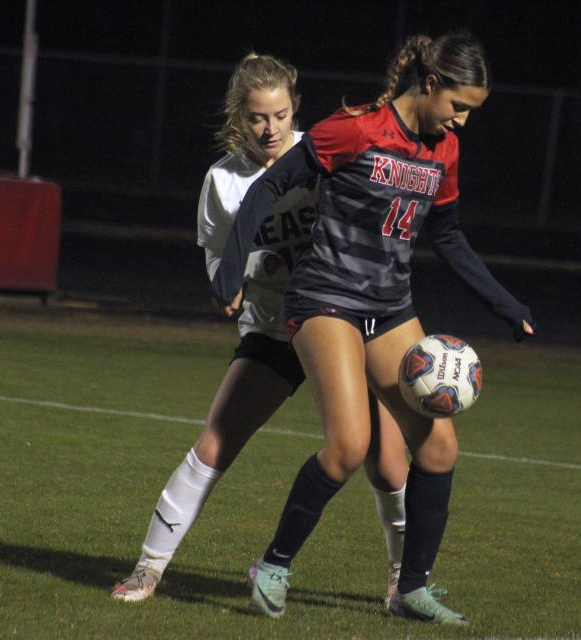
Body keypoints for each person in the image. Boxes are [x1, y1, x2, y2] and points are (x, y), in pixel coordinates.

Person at [210, 32, 534, 625]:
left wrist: (504, 303)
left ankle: (411, 590)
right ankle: (273, 565)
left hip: (389, 308)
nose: (462, 121)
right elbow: (270, 185)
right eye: (458, 105)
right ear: (430, 85)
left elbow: (448, 235)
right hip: (325, 299)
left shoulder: (443, 152)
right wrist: (231, 269)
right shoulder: (357, 128)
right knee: (348, 446)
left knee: (438, 447)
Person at [111, 53, 411, 607]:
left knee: (388, 460)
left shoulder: (321, 153)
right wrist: (232, 286)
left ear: (294, 109)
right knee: (215, 442)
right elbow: (216, 256)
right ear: (238, 117)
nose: (269, 128)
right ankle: (148, 570)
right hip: (275, 330)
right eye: (255, 117)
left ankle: (402, 584)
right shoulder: (222, 182)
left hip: (343, 322)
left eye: (278, 115)